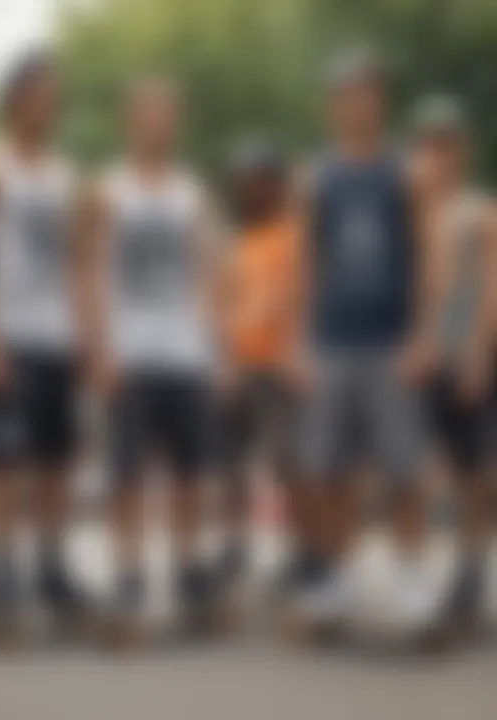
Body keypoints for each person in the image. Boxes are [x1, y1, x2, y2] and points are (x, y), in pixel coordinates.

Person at [291, 48, 440, 637]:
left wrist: (426, 334)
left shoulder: (410, 171)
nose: (358, 101)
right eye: (347, 92)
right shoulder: (316, 174)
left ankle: (410, 581)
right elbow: (306, 264)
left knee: (405, 469)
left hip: (390, 341)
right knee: (325, 471)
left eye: (368, 91)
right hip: (330, 341)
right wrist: (298, 342)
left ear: (381, 99)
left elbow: (428, 259)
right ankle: (341, 580)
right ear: (332, 104)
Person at [86, 78, 219, 646]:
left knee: (190, 474)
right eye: (146, 112)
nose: (156, 122)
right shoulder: (107, 190)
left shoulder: (192, 192)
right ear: (130, 118)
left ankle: (189, 576)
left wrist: (215, 346)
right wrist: (100, 349)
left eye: (166, 112)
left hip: (185, 350)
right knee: (128, 476)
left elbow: (206, 271)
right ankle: (130, 579)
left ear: (176, 120)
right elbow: (90, 272)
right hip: (131, 350)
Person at [0, 51, 90, 640]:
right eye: (41, 91)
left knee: (56, 459)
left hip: (59, 335)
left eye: (55, 93)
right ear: (15, 98)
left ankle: (51, 565)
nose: (51, 102)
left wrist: (87, 334)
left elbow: (75, 260)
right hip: (11, 336)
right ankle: (1, 572)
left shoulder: (66, 175)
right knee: (4, 460)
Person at [411, 95, 497, 641]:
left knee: (475, 472)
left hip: (466, 356)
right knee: (423, 471)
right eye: (429, 143)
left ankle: (469, 573)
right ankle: (431, 579)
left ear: (462, 149)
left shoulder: (478, 210)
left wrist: (476, 353)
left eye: (447, 143)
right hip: (420, 361)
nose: (438, 153)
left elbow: (490, 287)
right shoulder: (411, 211)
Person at [215, 138, 302, 621]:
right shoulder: (236, 240)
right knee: (232, 467)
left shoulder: (295, 235)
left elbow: (302, 298)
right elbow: (223, 303)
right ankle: (234, 550)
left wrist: (296, 350)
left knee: (288, 466)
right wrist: (224, 361)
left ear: (276, 184)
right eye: (244, 180)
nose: (250, 187)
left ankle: (298, 556)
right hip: (239, 366)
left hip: (280, 366)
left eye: (259, 179)